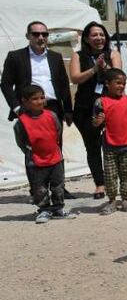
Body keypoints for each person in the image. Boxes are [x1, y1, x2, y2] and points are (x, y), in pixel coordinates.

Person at [2, 21, 75, 198]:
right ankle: (38, 189)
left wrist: (68, 110)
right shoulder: (15, 56)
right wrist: (18, 108)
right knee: (32, 150)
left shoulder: (55, 57)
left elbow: (64, 85)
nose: (41, 37)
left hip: (52, 107)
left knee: (56, 147)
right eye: (36, 34)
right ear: (28, 36)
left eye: (44, 34)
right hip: (28, 109)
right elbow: (5, 84)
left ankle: (59, 188)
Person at [70, 21, 123, 199]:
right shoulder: (78, 56)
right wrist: (94, 69)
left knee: (115, 145)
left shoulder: (112, 54)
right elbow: (75, 78)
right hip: (85, 107)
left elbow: (118, 76)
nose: (98, 38)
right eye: (94, 35)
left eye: (101, 34)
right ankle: (100, 184)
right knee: (92, 147)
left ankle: (119, 182)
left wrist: (104, 66)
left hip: (110, 105)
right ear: (86, 38)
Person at [13, 85, 71, 223]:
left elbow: (57, 131)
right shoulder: (21, 122)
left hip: (55, 158)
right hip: (35, 160)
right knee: (39, 187)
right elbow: (21, 141)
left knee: (58, 185)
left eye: (42, 97)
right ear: (25, 102)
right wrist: (32, 152)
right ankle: (44, 210)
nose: (40, 101)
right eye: (35, 99)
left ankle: (58, 208)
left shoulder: (52, 115)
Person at [92, 68, 127, 215]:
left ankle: (125, 200)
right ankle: (111, 201)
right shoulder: (100, 102)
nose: (121, 86)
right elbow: (95, 123)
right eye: (118, 83)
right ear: (107, 84)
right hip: (110, 145)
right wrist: (98, 122)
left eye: (123, 83)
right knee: (110, 176)